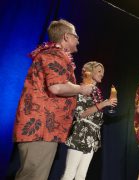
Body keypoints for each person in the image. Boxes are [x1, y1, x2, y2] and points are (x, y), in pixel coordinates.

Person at [13, 19, 93, 180]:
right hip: (41, 129)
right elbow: (57, 87)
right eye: (75, 36)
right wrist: (82, 89)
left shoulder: (53, 54)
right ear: (66, 37)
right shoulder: (54, 54)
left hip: (46, 130)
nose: (78, 39)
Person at [61, 61, 117, 180]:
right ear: (90, 72)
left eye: (103, 72)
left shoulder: (96, 92)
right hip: (81, 132)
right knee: (69, 173)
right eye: (99, 71)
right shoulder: (82, 89)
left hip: (92, 135)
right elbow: (81, 114)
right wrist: (103, 104)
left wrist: (105, 105)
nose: (102, 74)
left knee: (81, 175)